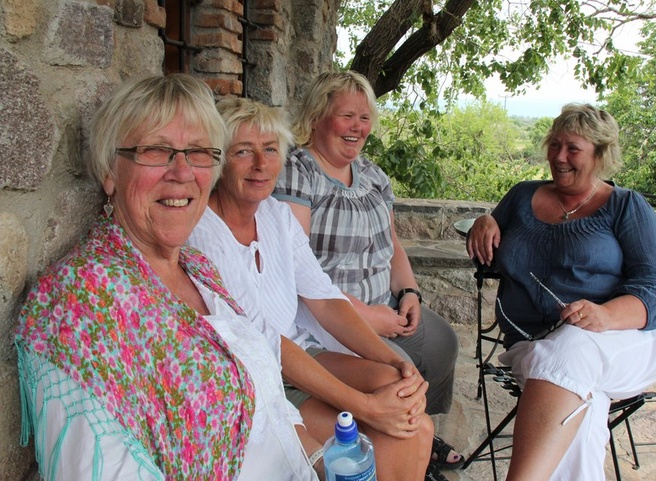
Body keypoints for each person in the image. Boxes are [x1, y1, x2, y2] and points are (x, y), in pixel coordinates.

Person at [15, 74, 318, 480]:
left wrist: (321, 463)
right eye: (156, 150)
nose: (182, 171)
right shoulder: (81, 301)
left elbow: (270, 399)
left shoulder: (198, 269)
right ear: (110, 172)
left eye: (198, 152)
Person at [187, 96, 437, 481]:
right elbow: (263, 341)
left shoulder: (274, 216)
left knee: (402, 396)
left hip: (302, 353)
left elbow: (325, 299)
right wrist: (367, 408)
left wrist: (394, 360)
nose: (260, 164)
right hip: (258, 377)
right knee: (404, 432)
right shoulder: (202, 231)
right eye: (243, 151)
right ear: (219, 160)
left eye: (270, 150)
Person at [465, 103, 656, 481]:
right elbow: (491, 235)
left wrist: (607, 315)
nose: (559, 157)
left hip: (623, 340)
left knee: (570, 350)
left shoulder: (626, 207)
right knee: (580, 394)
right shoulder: (521, 197)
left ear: (600, 155)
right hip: (532, 344)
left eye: (573, 148)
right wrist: (486, 220)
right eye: (554, 145)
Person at [273, 70, 464, 470]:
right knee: (399, 378)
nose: (358, 127)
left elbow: (391, 244)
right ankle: (407, 436)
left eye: (365, 117)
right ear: (317, 116)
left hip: (387, 302)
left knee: (443, 342)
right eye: (347, 115)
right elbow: (296, 272)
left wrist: (410, 293)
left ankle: (423, 435)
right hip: (332, 317)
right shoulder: (299, 171)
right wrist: (368, 316)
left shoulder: (373, 174)